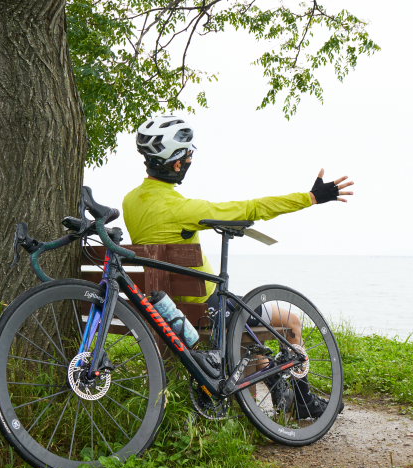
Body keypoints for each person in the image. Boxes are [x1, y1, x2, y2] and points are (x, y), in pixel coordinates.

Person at [122, 114, 353, 418]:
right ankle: (304, 402)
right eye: (189, 156)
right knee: (291, 320)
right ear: (177, 163)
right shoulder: (184, 209)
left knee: (248, 324)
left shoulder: (130, 202)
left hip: (165, 312)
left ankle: (271, 404)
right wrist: (310, 197)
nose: (190, 161)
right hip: (205, 313)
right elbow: (251, 208)